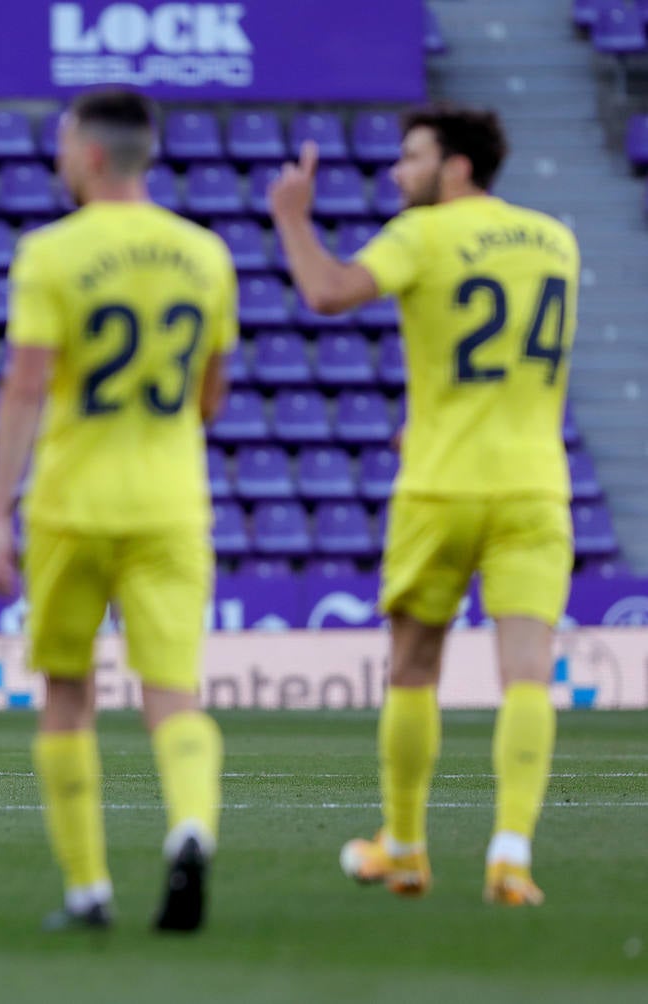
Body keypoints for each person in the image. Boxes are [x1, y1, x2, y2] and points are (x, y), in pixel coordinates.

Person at [269, 104, 578, 906]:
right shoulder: (556, 242)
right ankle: (512, 854)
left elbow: (328, 292)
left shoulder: (423, 235)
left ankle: (404, 846)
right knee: (528, 678)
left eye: (411, 158)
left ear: (457, 167)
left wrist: (293, 220)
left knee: (411, 669)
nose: (398, 173)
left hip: (442, 486)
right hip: (536, 484)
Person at [0, 89, 236, 933]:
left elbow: (25, 385)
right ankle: (190, 825)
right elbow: (210, 397)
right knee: (174, 695)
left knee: (66, 695)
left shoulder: (50, 253)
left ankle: (89, 891)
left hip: (72, 505)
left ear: (89, 155)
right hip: (170, 502)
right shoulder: (206, 255)